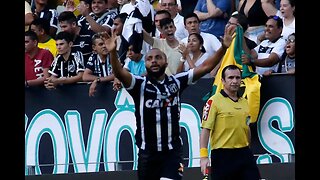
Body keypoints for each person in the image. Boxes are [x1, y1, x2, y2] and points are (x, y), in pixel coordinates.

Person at [103, 23, 234, 179]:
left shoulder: (177, 82)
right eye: (150, 58)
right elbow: (119, 71)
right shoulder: (138, 85)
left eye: (158, 57)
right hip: (147, 155)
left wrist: (223, 48)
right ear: (145, 64)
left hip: (172, 154)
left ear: (165, 62)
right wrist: (112, 53)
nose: (154, 61)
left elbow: (205, 67)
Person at [199, 64, 261, 180]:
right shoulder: (213, 101)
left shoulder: (244, 102)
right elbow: (205, 129)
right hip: (223, 155)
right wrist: (203, 156)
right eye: (231, 78)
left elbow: (246, 127)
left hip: (244, 154)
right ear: (223, 80)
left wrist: (249, 149)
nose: (235, 81)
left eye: (238, 78)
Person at [82, 32, 115, 96]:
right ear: (94, 47)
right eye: (101, 44)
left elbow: (117, 74)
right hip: (102, 94)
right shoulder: (93, 57)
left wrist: (98, 80)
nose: (104, 46)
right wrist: (98, 79)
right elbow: (85, 76)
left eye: (106, 43)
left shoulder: (114, 55)